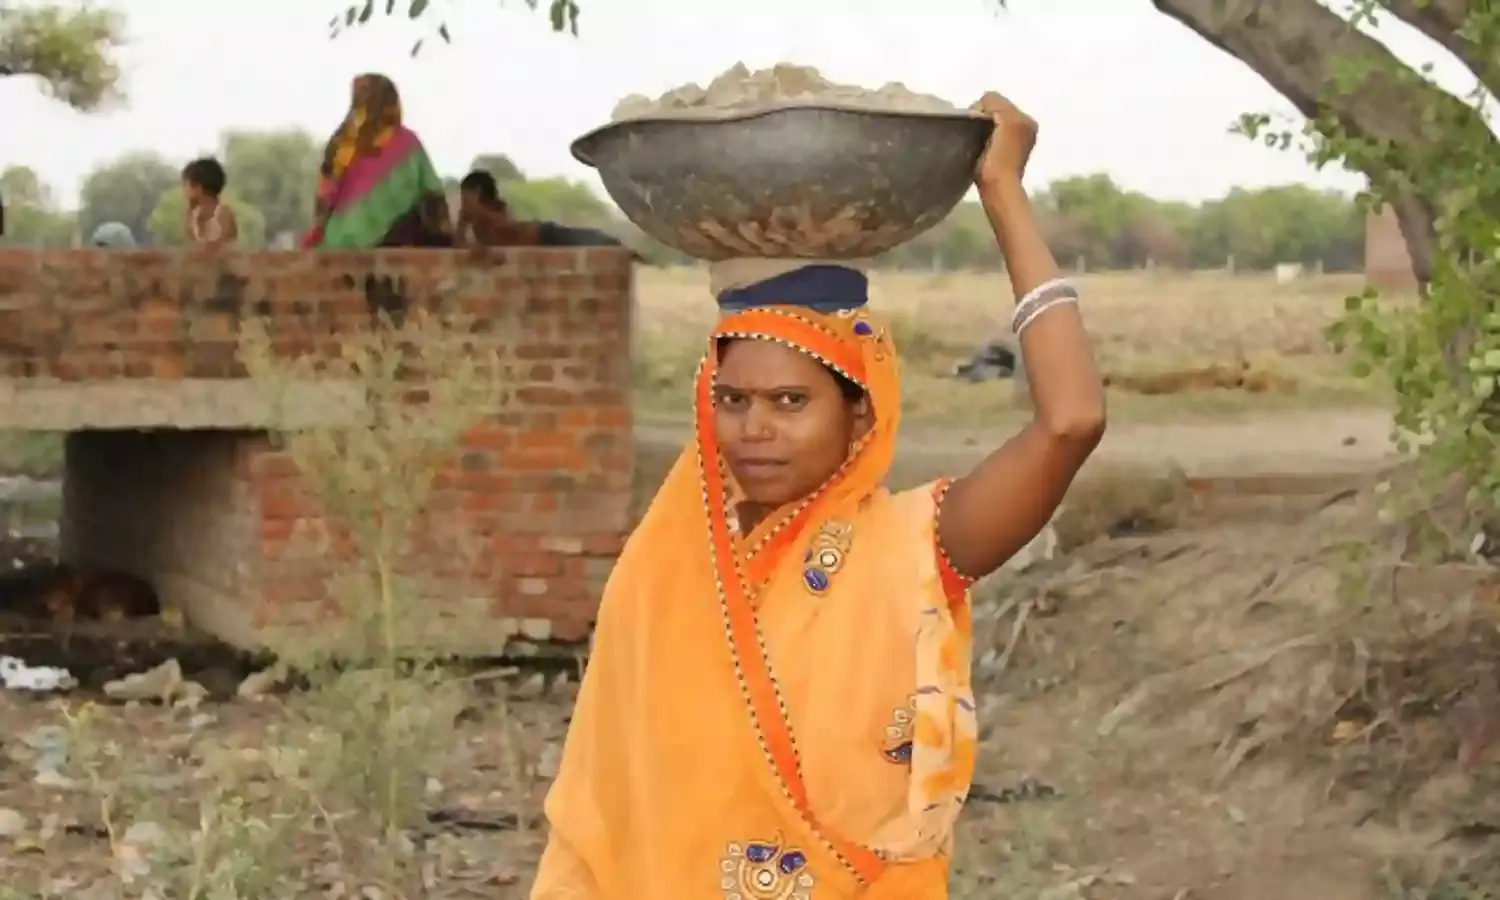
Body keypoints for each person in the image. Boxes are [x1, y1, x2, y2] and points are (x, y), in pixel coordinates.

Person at [531, 91, 1106, 900]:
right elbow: (600, 816)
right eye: (733, 400)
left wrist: (1003, 192)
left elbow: (1071, 422)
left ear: (859, 410)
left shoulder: (913, 547)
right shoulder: (664, 574)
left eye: (791, 402)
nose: (754, 428)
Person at [301, 73, 452, 249]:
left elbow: (324, 198)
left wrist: (319, 233)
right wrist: (444, 238)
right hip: (396, 241)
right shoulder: (408, 143)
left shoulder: (342, 142)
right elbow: (433, 196)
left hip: (342, 243)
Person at [456, 169, 634, 252]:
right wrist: (462, 223)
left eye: (466, 195)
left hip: (545, 235)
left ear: (476, 193)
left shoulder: (497, 209)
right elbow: (460, 247)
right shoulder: (473, 220)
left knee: (594, 240)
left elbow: (507, 227)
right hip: (540, 244)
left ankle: (625, 249)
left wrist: (479, 211)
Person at [180, 157, 238, 248]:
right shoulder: (190, 216)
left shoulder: (223, 214)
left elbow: (223, 249)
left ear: (197, 187)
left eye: (184, 185)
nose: (182, 190)